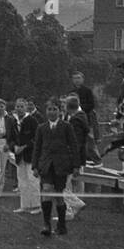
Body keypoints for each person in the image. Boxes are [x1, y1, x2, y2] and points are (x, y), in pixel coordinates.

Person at [31, 98, 81, 236]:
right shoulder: (41, 128)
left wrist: (76, 165)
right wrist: (35, 165)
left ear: (60, 111)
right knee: (46, 190)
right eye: (49, 109)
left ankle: (61, 224)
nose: (52, 112)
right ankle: (46, 224)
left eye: (55, 109)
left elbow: (74, 146)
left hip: (61, 165)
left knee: (59, 195)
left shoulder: (66, 126)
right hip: (46, 165)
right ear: (46, 111)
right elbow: (37, 147)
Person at [11, 99, 40, 214]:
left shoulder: (32, 120)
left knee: (32, 180)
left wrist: (24, 146)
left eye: (21, 106)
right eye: (17, 106)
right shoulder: (14, 121)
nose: (19, 109)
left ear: (26, 107)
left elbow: (37, 137)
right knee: (22, 181)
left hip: (31, 155)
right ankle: (25, 205)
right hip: (19, 156)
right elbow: (11, 138)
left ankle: (37, 205)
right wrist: (14, 147)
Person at [70, 72, 100, 142]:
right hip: (74, 118)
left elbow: (91, 105)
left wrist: (79, 108)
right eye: (74, 78)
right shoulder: (71, 92)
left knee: (89, 140)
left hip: (87, 117)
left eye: (78, 78)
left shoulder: (87, 91)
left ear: (83, 79)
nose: (76, 80)